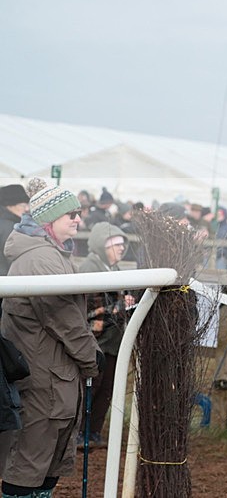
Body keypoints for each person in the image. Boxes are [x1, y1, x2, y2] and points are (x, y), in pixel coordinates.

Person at [1, 178, 102, 498]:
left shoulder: (53, 254)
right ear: (48, 219)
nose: (78, 219)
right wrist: (91, 357)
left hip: (54, 373)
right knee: (32, 460)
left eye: (78, 212)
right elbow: (64, 320)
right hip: (43, 374)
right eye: (70, 213)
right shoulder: (40, 259)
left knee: (45, 461)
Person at [78, 222, 136, 449]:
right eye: (115, 243)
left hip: (112, 342)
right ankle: (80, 432)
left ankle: (93, 432)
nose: (121, 248)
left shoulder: (114, 270)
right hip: (95, 341)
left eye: (122, 244)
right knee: (91, 386)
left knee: (107, 387)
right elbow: (90, 310)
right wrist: (122, 305)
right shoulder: (90, 269)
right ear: (102, 244)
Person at [0, 185, 30, 316]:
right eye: (23, 205)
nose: (27, 209)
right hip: (7, 287)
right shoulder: (11, 228)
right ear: (9, 205)